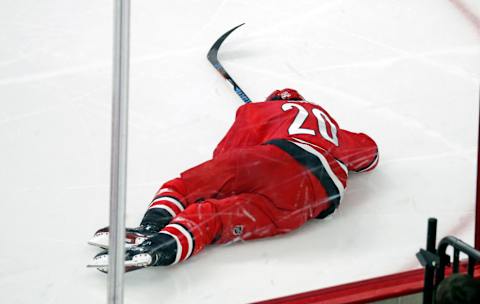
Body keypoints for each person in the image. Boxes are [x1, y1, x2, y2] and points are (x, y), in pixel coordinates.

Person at [88, 88, 379, 272]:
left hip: (273, 159)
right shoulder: (330, 125)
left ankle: (151, 227)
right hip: (319, 197)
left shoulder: (257, 110)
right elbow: (369, 155)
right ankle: (164, 247)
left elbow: (226, 156)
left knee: (188, 189)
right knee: (216, 220)